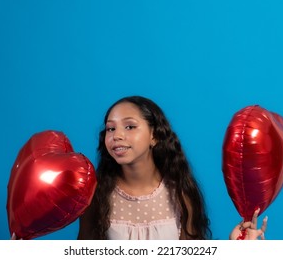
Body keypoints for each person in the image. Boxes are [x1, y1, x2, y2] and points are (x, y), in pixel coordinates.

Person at [77, 96, 267, 240]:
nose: (117, 135)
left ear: (155, 135)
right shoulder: (96, 194)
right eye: (111, 128)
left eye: (129, 127)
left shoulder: (180, 193)